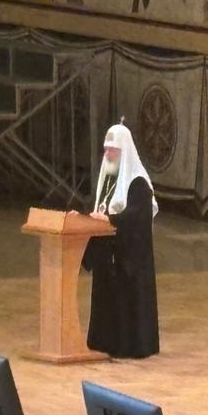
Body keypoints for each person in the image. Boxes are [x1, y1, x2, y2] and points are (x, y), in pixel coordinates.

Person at [83, 122, 159, 358]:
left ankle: (129, 346)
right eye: (106, 149)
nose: (107, 154)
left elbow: (138, 217)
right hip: (108, 253)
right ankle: (104, 342)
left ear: (124, 151)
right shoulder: (108, 178)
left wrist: (111, 219)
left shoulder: (138, 183)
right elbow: (101, 207)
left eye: (112, 150)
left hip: (129, 258)